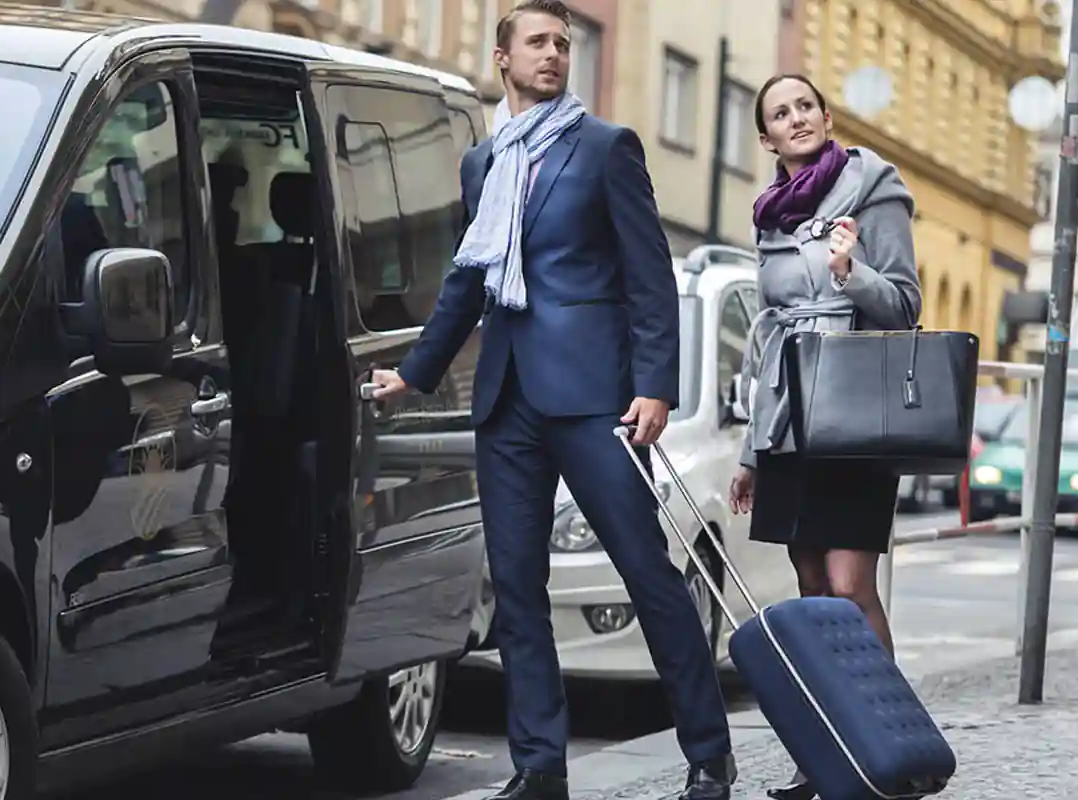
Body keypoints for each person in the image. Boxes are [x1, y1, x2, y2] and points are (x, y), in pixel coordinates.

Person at [365, 2, 736, 798]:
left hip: (594, 397)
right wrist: (413, 373)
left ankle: (709, 754)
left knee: (646, 571)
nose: (555, 55)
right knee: (519, 586)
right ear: (502, 59)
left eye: (563, 44)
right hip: (507, 398)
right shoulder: (484, 162)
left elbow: (648, 277)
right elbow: (465, 282)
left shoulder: (604, 149)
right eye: (538, 42)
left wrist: (655, 387)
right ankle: (540, 767)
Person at [726, 73, 922, 800]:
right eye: (780, 112)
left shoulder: (875, 186)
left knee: (848, 586)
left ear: (826, 115)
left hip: (856, 411)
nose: (796, 117)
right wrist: (751, 448)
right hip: (790, 416)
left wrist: (851, 272)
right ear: (767, 138)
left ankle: (883, 751)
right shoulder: (769, 215)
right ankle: (826, 759)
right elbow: (764, 337)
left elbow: (904, 306)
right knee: (810, 590)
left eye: (805, 105)